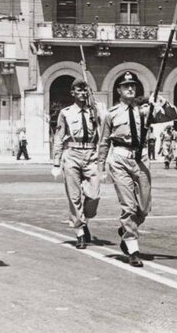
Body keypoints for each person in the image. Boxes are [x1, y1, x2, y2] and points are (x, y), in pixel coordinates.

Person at [97, 72, 177, 267]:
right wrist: (100, 168)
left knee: (143, 207)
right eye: (126, 86)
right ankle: (132, 248)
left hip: (140, 160)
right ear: (119, 90)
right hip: (120, 160)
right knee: (129, 206)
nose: (130, 88)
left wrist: (163, 103)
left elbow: (172, 115)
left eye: (133, 85)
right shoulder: (112, 114)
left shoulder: (145, 111)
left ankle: (126, 229)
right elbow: (104, 142)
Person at [51, 79, 101, 249]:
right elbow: (58, 137)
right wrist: (56, 162)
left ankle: (84, 219)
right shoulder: (66, 113)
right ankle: (79, 230)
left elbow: (104, 130)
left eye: (85, 90)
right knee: (74, 196)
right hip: (72, 153)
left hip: (91, 153)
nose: (83, 93)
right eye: (79, 90)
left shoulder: (94, 111)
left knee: (94, 195)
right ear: (73, 93)